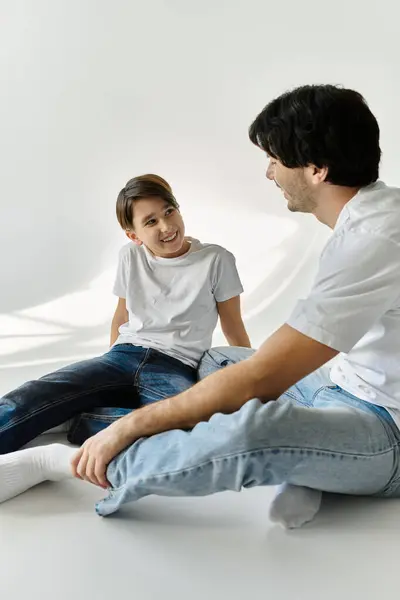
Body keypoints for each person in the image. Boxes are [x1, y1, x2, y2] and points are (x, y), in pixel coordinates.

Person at [3, 84, 400, 531]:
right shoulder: (370, 216)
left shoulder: (374, 239)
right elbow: (260, 361)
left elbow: (264, 375)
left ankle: (68, 461)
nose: (270, 173)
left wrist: (128, 426)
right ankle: (308, 465)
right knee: (215, 361)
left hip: (384, 424)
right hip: (336, 382)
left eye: (274, 160)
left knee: (249, 430)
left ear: (316, 169)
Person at [0, 174, 250, 487]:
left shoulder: (217, 259)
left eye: (169, 212)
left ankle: (87, 421)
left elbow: (233, 325)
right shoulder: (130, 256)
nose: (166, 227)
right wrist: (105, 371)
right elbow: (122, 313)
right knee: (35, 393)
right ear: (133, 235)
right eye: (151, 221)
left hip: (177, 364)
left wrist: (253, 381)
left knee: (193, 429)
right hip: (124, 354)